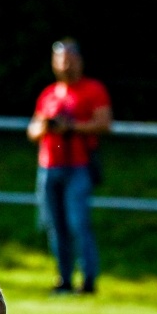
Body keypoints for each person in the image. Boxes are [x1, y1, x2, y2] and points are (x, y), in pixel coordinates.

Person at [27, 39, 112, 294]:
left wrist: (71, 127)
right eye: (61, 59)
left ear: (79, 61)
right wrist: (45, 126)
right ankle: (63, 280)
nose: (66, 64)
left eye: (70, 59)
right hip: (49, 167)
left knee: (78, 223)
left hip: (78, 166)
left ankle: (87, 281)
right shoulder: (49, 94)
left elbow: (104, 123)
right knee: (55, 226)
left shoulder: (93, 90)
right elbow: (32, 130)